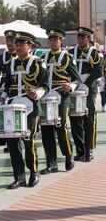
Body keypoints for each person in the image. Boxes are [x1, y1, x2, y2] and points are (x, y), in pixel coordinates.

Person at [0, 31, 49, 189]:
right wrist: (3, 95)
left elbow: (45, 86)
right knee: (13, 143)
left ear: (30, 46)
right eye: (17, 44)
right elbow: (7, 86)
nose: (19, 47)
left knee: (29, 141)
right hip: (13, 106)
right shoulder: (10, 64)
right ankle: (19, 177)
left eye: (22, 44)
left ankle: (33, 173)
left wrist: (37, 93)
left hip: (30, 107)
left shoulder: (38, 63)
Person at [40, 28, 80, 175]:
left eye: (55, 39)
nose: (52, 42)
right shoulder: (43, 57)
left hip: (62, 96)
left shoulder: (67, 57)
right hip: (46, 96)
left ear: (61, 41)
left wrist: (71, 86)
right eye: (50, 39)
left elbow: (77, 78)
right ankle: (51, 163)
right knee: (46, 129)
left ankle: (68, 155)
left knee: (60, 126)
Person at [68, 27, 103, 162]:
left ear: (88, 39)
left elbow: (99, 70)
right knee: (75, 119)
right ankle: (80, 150)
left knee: (88, 120)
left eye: (83, 37)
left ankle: (88, 150)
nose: (81, 40)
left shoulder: (95, 53)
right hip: (74, 89)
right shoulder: (71, 52)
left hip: (89, 90)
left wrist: (85, 78)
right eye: (79, 37)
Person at [0, 30, 17, 150]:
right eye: (7, 41)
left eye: (11, 41)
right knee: (4, 114)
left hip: (16, 86)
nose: (9, 43)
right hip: (4, 86)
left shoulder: (19, 56)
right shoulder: (2, 56)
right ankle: (5, 139)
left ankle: (14, 140)